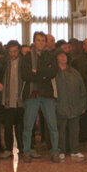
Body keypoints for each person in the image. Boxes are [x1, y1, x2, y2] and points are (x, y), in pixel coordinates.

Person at [20, 31, 61, 162]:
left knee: (52, 124)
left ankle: (55, 151)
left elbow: (53, 72)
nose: (41, 43)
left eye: (43, 41)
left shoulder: (50, 56)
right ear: (34, 42)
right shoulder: (27, 57)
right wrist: (43, 73)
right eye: (38, 40)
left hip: (47, 94)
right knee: (28, 124)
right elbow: (25, 75)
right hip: (32, 93)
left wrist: (37, 72)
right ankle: (26, 151)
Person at [54, 50, 86, 160]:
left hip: (74, 106)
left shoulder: (75, 72)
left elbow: (82, 90)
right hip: (60, 105)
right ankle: (61, 150)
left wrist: (82, 105)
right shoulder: (54, 72)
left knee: (74, 129)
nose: (63, 58)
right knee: (60, 129)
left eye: (65, 56)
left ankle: (75, 150)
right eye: (61, 56)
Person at [0, 40, 23, 158]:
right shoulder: (2, 62)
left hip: (20, 99)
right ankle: (8, 148)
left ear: (18, 50)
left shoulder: (23, 62)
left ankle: (22, 147)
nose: (13, 54)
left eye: (15, 51)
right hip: (7, 98)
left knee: (21, 125)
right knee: (8, 125)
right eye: (10, 51)